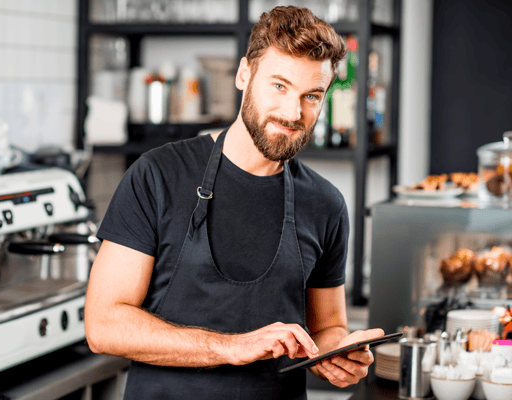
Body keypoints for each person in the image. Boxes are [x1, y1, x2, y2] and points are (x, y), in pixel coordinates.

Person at [85, 5, 384, 399]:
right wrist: (231, 346)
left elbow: (328, 327)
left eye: (311, 96)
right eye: (279, 86)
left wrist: (337, 355)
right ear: (245, 74)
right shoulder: (157, 175)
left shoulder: (325, 204)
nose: (293, 113)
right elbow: (103, 325)